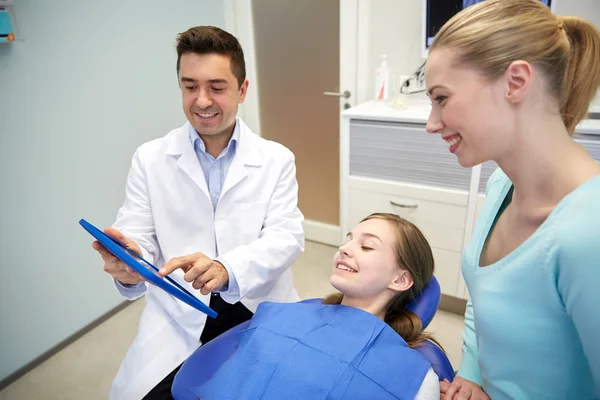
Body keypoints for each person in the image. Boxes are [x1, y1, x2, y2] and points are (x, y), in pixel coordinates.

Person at [92, 26, 305, 400]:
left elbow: (286, 237)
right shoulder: (150, 158)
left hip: (258, 307)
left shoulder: (276, 159)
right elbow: (136, 232)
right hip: (180, 313)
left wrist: (228, 268)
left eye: (217, 87)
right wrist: (129, 262)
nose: (201, 100)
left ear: (242, 90)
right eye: (190, 86)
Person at [424, 0, 600, 398]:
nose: (431, 123)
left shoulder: (588, 232)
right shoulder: (504, 183)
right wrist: (471, 371)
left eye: (441, 98)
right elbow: (482, 293)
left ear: (516, 81)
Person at [173, 213, 444, 400]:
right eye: (348, 239)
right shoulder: (280, 315)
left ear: (400, 279)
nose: (345, 248)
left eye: (367, 246)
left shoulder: (416, 378)